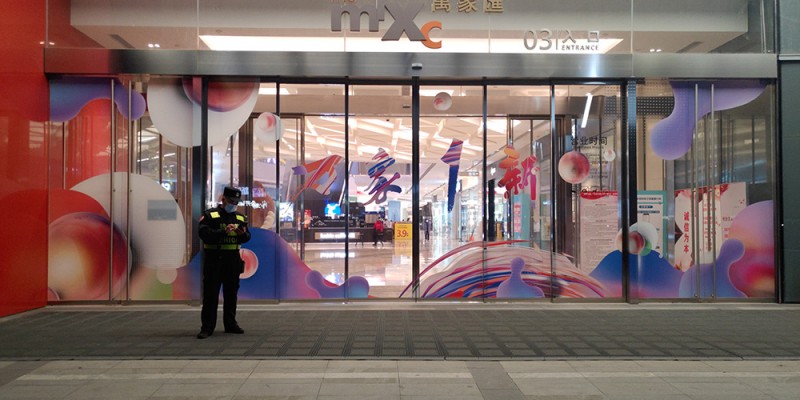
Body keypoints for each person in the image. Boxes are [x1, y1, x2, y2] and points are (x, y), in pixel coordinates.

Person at [196, 186, 251, 339]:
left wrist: (241, 234)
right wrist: (223, 231)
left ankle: (230, 324)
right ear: (223, 199)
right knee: (211, 294)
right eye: (231, 201)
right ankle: (207, 327)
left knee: (231, 294)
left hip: (232, 260)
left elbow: (247, 237)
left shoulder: (240, 218)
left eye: (237, 202)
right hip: (214, 260)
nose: (234, 204)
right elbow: (203, 233)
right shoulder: (210, 215)